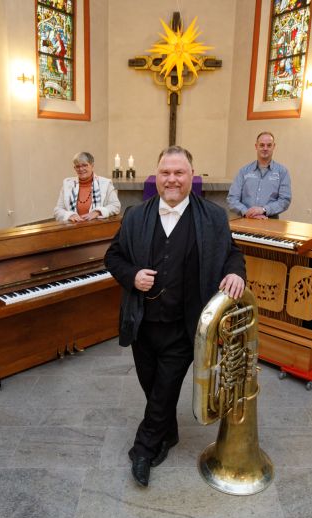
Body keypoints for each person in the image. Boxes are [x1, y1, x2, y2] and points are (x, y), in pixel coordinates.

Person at [105, 146, 246, 487]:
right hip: (142, 324)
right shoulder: (135, 215)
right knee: (153, 388)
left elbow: (232, 254)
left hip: (185, 328)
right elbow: (114, 257)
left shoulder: (213, 217)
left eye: (179, 173)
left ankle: (143, 449)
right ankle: (167, 435)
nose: (172, 179)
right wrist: (132, 275)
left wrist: (237, 273)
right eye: (165, 173)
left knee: (165, 389)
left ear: (191, 176)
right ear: (156, 176)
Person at [227, 131, 292, 219]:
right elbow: (232, 199)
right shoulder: (244, 171)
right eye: (261, 145)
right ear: (256, 146)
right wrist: (247, 213)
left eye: (269, 145)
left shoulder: (282, 172)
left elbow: (284, 200)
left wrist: (264, 210)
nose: (265, 148)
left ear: (274, 147)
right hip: (245, 220)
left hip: (270, 222)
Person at [54, 152, 121, 223]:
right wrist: (70, 215)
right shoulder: (67, 184)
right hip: (72, 227)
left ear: (92, 165)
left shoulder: (105, 183)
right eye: (77, 166)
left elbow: (116, 206)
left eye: (84, 165)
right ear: (74, 168)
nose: (81, 169)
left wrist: (98, 212)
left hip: (98, 227)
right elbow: (58, 209)